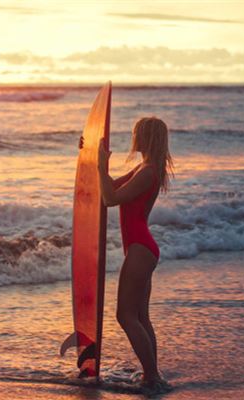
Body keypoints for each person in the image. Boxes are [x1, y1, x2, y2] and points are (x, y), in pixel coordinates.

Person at [79, 117, 174, 394]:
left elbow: (110, 199)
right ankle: (152, 375)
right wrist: (89, 158)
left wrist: (101, 164)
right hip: (142, 249)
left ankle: (152, 376)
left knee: (125, 315)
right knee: (140, 316)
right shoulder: (145, 168)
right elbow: (106, 186)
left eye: (137, 133)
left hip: (140, 249)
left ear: (145, 137)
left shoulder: (147, 172)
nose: (134, 137)